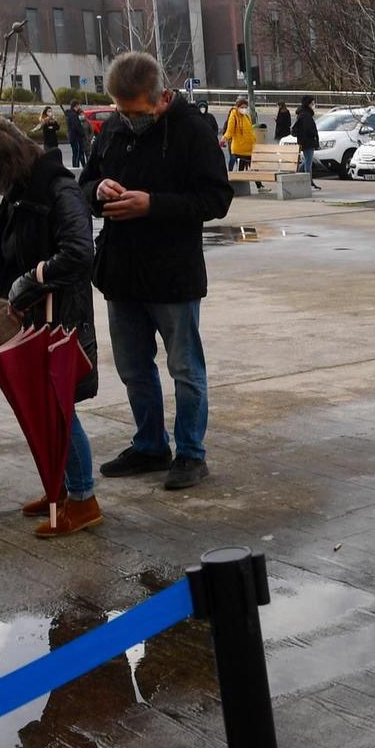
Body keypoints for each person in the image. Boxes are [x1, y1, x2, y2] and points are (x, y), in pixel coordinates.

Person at [81, 50, 233, 491]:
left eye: (136, 112)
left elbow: (216, 198)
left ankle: (190, 453)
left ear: (162, 97)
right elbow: (83, 184)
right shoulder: (112, 128)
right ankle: (150, 445)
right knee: (132, 367)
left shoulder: (192, 131)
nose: (127, 120)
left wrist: (153, 204)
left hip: (173, 274)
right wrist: (97, 190)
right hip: (120, 271)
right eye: (119, 111)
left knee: (184, 368)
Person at [0, 118, 103, 536]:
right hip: (32, 318)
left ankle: (83, 498)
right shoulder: (21, 189)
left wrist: (24, 283)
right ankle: (59, 489)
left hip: (60, 321)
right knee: (40, 409)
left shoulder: (59, 189)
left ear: (5, 164)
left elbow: (78, 253)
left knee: (59, 411)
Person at [291, 98, 321, 188]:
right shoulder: (306, 115)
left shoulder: (302, 114)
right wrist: (314, 136)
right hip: (308, 141)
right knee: (308, 162)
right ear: (308, 104)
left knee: (307, 161)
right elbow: (309, 129)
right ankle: (308, 181)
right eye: (312, 103)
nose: (313, 105)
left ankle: (307, 179)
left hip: (304, 141)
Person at [223, 97, 256, 170]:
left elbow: (250, 131)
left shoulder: (247, 116)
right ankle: (230, 176)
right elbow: (229, 131)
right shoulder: (234, 116)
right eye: (242, 107)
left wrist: (254, 141)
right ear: (237, 107)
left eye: (245, 107)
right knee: (234, 165)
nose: (244, 109)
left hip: (248, 149)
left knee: (253, 170)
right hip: (238, 149)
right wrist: (224, 139)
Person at [65, 101, 87, 167]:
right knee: (77, 154)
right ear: (76, 106)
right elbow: (76, 126)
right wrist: (83, 133)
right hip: (76, 137)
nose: (80, 107)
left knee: (78, 154)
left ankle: (81, 167)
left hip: (74, 137)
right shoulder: (73, 115)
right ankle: (75, 168)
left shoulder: (71, 114)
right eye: (79, 105)